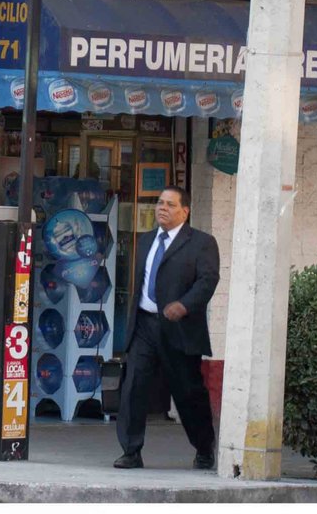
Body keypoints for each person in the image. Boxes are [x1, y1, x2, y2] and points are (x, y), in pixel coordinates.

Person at [113, 185, 219, 471]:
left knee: (188, 393)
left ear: (185, 211)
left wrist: (184, 305)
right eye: (160, 203)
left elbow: (207, 280)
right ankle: (131, 451)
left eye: (170, 204)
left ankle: (204, 448)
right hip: (144, 325)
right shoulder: (146, 240)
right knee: (133, 387)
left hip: (179, 328)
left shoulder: (201, 243)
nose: (162, 208)